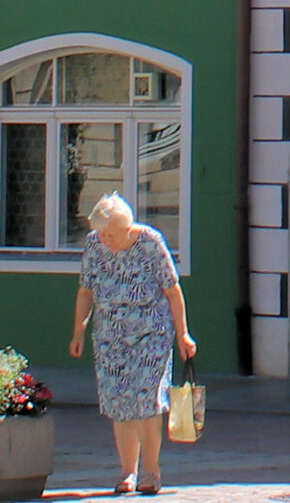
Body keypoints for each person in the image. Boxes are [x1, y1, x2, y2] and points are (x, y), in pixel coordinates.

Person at [69, 192, 197, 494]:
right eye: (102, 234)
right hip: (110, 338)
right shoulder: (94, 244)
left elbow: (173, 291)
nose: (105, 239)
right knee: (119, 404)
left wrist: (183, 334)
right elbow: (86, 290)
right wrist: (78, 331)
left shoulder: (151, 242)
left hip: (151, 335)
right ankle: (128, 472)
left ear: (127, 228)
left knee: (147, 402)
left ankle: (151, 472)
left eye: (111, 235)